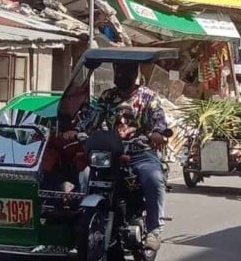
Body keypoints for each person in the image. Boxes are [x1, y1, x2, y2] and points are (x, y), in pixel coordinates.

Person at [65, 62, 168, 251]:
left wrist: (157, 133)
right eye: (118, 70)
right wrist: (77, 130)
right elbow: (93, 118)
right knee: (87, 175)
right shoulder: (107, 96)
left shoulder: (149, 97)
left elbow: (159, 121)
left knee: (153, 178)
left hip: (140, 152)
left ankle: (154, 229)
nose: (121, 74)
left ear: (134, 72)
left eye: (125, 70)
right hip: (111, 152)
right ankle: (83, 220)